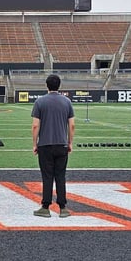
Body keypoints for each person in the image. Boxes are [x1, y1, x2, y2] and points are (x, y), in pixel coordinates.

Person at [31, 74, 75, 218]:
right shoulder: (67, 101)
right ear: (59, 85)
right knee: (60, 176)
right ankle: (63, 207)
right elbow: (72, 125)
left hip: (45, 145)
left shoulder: (40, 102)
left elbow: (35, 125)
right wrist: (70, 142)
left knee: (47, 176)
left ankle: (45, 207)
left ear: (47, 85)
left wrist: (34, 144)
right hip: (61, 144)